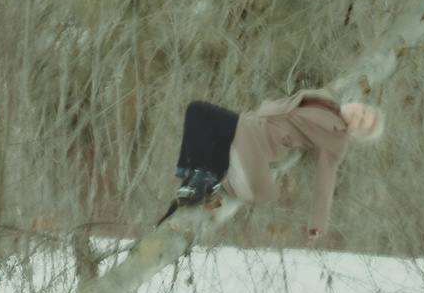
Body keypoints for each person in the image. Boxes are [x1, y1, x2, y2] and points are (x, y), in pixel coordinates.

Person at [163, 91, 383, 241]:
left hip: (259, 139)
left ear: (354, 132)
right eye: (364, 111)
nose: (359, 115)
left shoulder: (336, 140)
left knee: (199, 112)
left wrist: (318, 224)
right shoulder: (326, 98)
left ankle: (197, 180)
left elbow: (326, 181)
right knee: (199, 119)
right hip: (252, 124)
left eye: (361, 122)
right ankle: (184, 196)